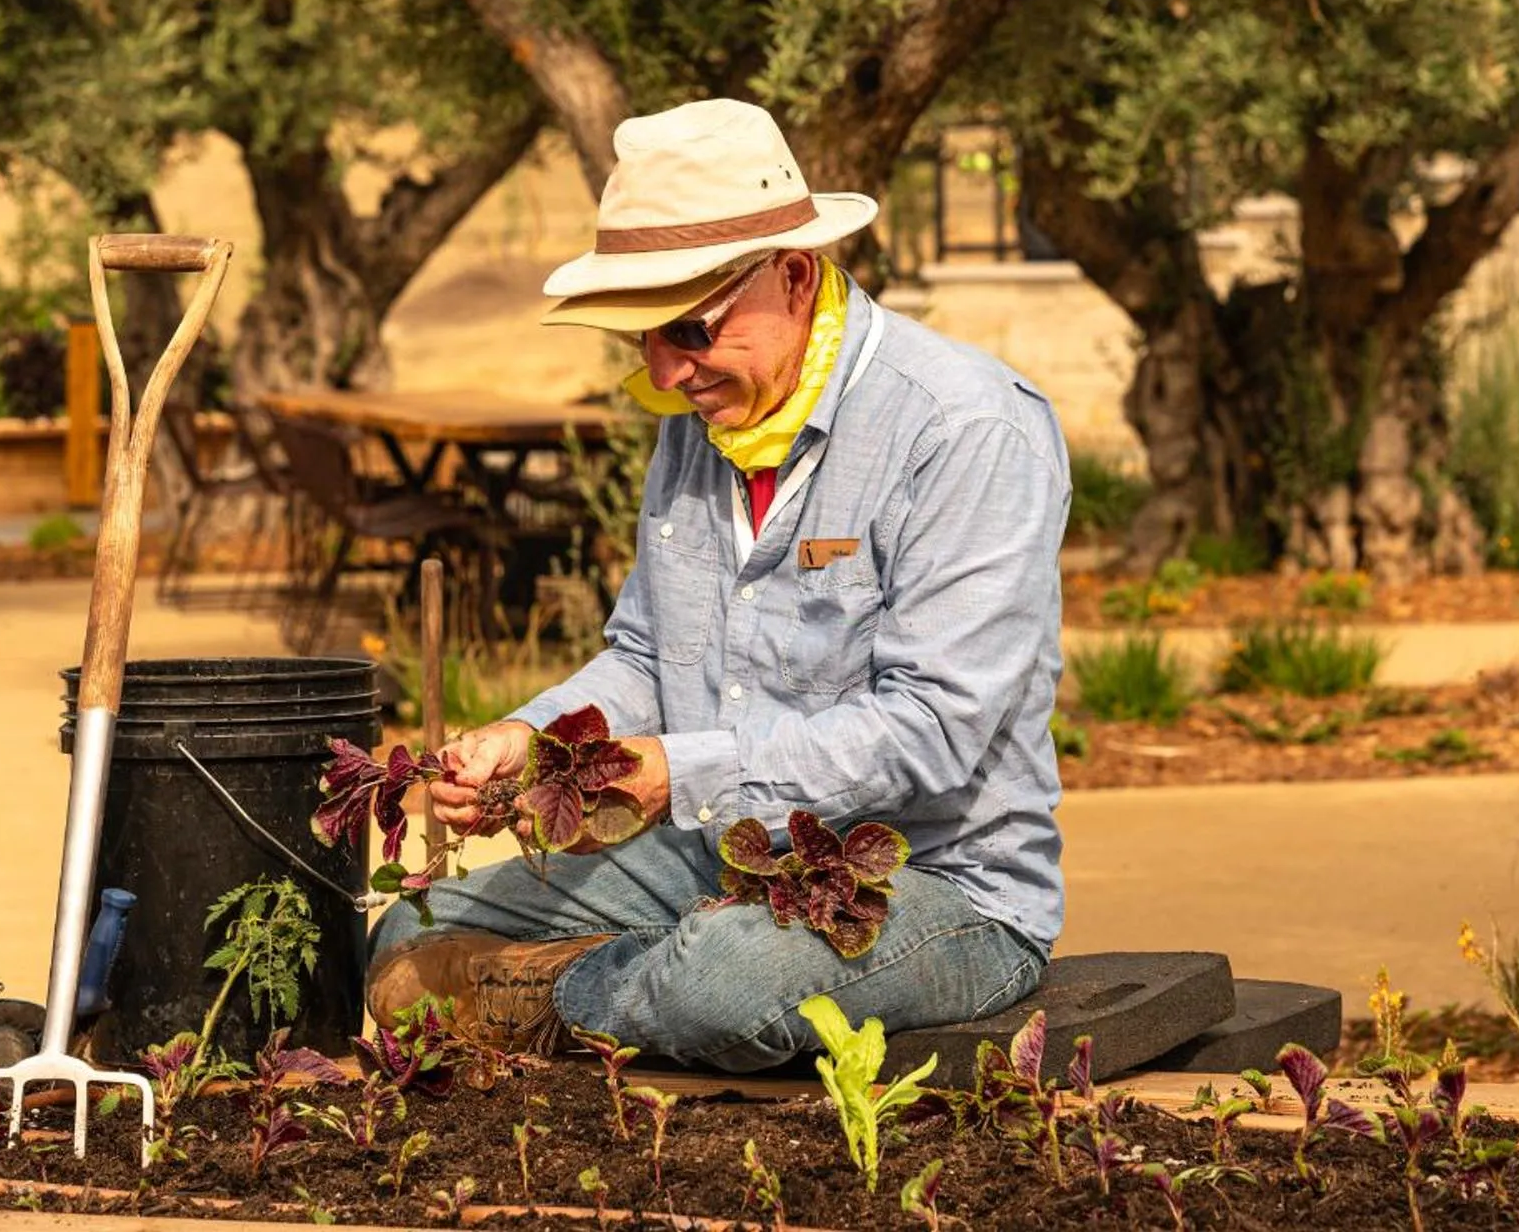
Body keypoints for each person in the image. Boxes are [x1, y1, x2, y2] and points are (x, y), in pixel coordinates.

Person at [365, 98, 1067, 1070]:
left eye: (688, 329)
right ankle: (628, 981)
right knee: (409, 929)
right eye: (638, 339)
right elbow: (651, 658)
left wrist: (671, 775)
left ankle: (571, 988)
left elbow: (936, 727)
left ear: (795, 273)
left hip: (941, 885)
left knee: (723, 985)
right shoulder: (695, 432)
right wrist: (533, 741)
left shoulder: (964, 428)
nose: (665, 369)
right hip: (719, 854)